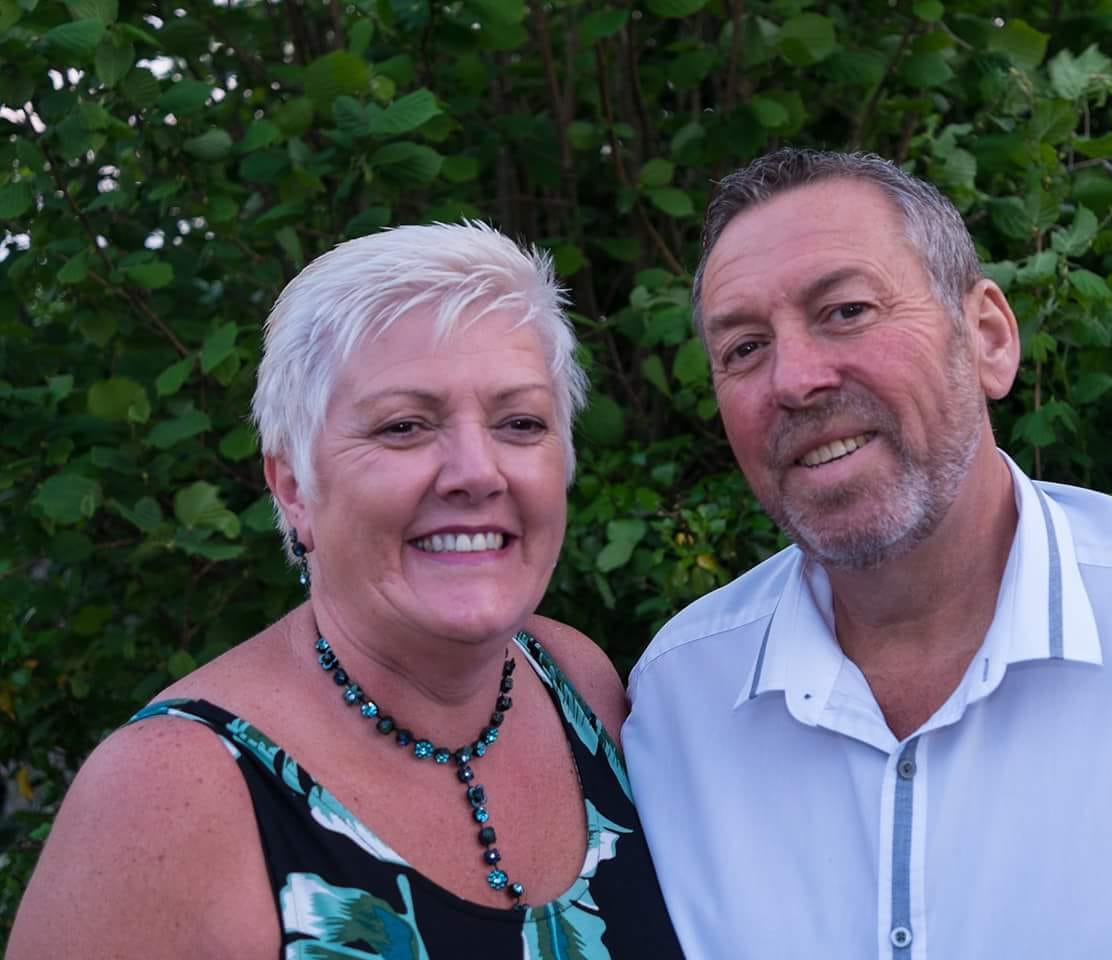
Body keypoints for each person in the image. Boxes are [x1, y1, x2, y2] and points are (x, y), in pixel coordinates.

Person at [623, 149, 1112, 959]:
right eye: (744, 349)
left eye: (847, 310)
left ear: (989, 339)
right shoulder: (679, 704)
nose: (794, 380)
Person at [9, 223, 683, 959]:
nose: (477, 472)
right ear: (293, 488)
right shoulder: (163, 795)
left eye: (520, 423)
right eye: (404, 427)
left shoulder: (578, 682)